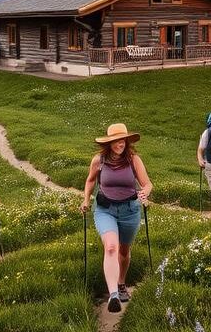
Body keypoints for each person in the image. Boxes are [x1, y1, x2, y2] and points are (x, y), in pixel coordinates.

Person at [80, 123, 153, 314]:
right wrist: (86, 199)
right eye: (116, 141)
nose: (120, 144)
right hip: (105, 210)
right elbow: (90, 180)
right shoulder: (99, 160)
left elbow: (147, 184)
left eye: (123, 141)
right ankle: (113, 295)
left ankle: (121, 283)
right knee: (111, 247)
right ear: (109, 143)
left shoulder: (133, 160)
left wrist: (144, 193)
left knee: (124, 251)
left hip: (130, 210)